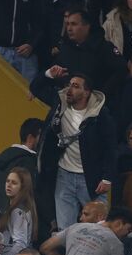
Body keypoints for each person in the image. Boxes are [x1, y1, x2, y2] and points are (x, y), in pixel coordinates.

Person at [39, 74, 118, 230]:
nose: (69, 89)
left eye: (76, 86)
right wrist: (48, 74)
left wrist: (107, 177)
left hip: (91, 178)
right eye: (69, 84)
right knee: (65, 230)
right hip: (64, 176)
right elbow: (36, 88)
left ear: (87, 92)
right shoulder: (60, 105)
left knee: (99, 229)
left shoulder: (100, 115)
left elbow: (110, 147)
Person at [29, 9, 126, 101]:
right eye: (67, 24)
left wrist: (101, 96)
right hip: (67, 107)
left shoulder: (104, 48)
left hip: (94, 109)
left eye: (74, 24)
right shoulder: (65, 49)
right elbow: (51, 73)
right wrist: (47, 76)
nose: (69, 29)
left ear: (87, 26)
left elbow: (121, 70)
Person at [39, 208, 132, 255]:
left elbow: (45, 248)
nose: (127, 234)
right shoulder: (116, 244)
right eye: (128, 229)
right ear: (119, 223)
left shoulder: (76, 227)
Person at [0, 119, 42, 220]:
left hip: (1, 216)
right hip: (19, 217)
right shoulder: (28, 162)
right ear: (30, 138)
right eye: (40, 137)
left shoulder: (6, 157)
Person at [0, 167, 39, 255]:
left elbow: (20, 244)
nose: (8, 185)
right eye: (7, 181)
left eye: (14, 183)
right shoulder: (16, 208)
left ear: (23, 187)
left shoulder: (18, 211)